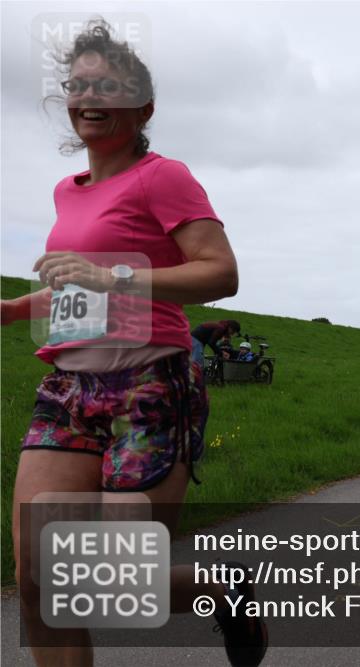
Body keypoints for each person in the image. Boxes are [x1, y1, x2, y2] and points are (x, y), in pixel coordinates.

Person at [1, 22, 266, 667]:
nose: (90, 95)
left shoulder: (162, 177)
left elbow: (220, 273)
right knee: (40, 581)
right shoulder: (68, 192)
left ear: (142, 106)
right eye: (79, 84)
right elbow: (83, 295)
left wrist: (112, 273)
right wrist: (14, 310)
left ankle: (223, 590)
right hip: (69, 387)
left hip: (149, 388)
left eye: (108, 85)